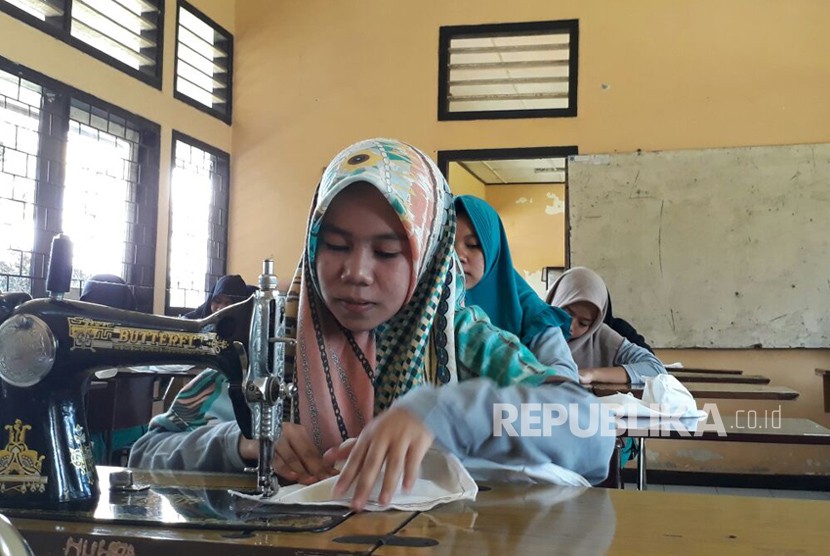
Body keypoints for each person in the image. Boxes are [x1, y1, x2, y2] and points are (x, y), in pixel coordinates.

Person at [129, 139, 614, 504]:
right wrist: (240, 444)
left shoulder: (463, 341)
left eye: (386, 251)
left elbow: (592, 435)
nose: (355, 273)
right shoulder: (270, 338)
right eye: (335, 246)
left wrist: (451, 412)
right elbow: (146, 455)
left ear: (425, 259)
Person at [453, 195, 577, 382]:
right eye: (448, 246)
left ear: (494, 251)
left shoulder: (531, 312)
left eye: (473, 245)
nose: (458, 256)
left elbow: (565, 378)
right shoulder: (431, 304)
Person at [545, 266, 666, 386]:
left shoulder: (599, 335)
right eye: (566, 313)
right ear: (556, 300)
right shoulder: (531, 327)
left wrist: (591, 374)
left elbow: (656, 368)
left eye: (583, 323)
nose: (570, 326)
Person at [183, 274, 251, 318]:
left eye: (227, 303)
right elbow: (184, 321)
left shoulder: (249, 323)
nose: (221, 308)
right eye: (218, 301)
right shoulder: (204, 311)